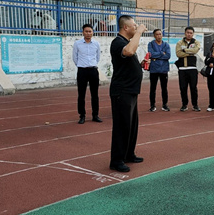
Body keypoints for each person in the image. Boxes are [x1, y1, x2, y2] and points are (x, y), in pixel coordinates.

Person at [109, 15, 148, 172]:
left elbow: (128, 60)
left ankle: (128, 154)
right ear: (125, 27)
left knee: (132, 125)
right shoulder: (118, 42)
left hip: (131, 90)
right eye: (134, 26)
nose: (136, 27)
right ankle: (116, 160)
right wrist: (139, 33)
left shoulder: (126, 42)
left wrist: (139, 66)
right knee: (122, 126)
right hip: (121, 91)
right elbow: (130, 52)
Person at [72, 24, 102, 124]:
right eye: (86, 31)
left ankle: (95, 115)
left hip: (93, 70)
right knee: (81, 94)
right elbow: (75, 58)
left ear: (93, 32)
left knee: (95, 94)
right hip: (82, 71)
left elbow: (98, 57)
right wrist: (81, 65)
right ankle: (82, 115)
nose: (88, 33)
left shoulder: (96, 44)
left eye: (90, 31)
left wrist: (92, 65)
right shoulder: (77, 44)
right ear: (83, 32)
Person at [175, 26, 201, 112]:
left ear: (193, 34)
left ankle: (195, 105)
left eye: (191, 33)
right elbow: (178, 53)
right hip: (182, 69)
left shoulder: (196, 42)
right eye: (187, 32)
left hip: (192, 69)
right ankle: (184, 104)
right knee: (183, 88)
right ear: (185, 33)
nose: (189, 34)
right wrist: (190, 52)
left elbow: (195, 50)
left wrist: (185, 50)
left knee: (193, 87)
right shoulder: (179, 43)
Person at [147, 29, 170, 112]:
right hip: (154, 69)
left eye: (160, 34)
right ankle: (152, 105)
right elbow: (150, 54)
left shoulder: (166, 45)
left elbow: (168, 55)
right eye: (157, 34)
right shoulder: (151, 44)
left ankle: (165, 105)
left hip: (164, 69)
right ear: (154, 35)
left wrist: (156, 56)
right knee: (153, 88)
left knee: (164, 88)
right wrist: (161, 53)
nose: (159, 36)